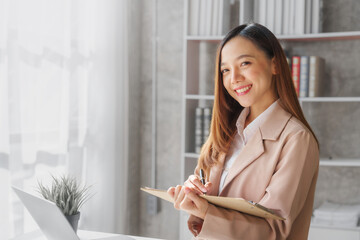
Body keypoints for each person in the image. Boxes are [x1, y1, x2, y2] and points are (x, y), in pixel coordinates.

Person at [167, 23, 319, 240]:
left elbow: (273, 231)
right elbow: (208, 219)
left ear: (275, 64)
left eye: (245, 63)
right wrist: (196, 198)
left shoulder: (296, 139)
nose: (234, 78)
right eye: (225, 70)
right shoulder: (226, 132)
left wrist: (207, 211)